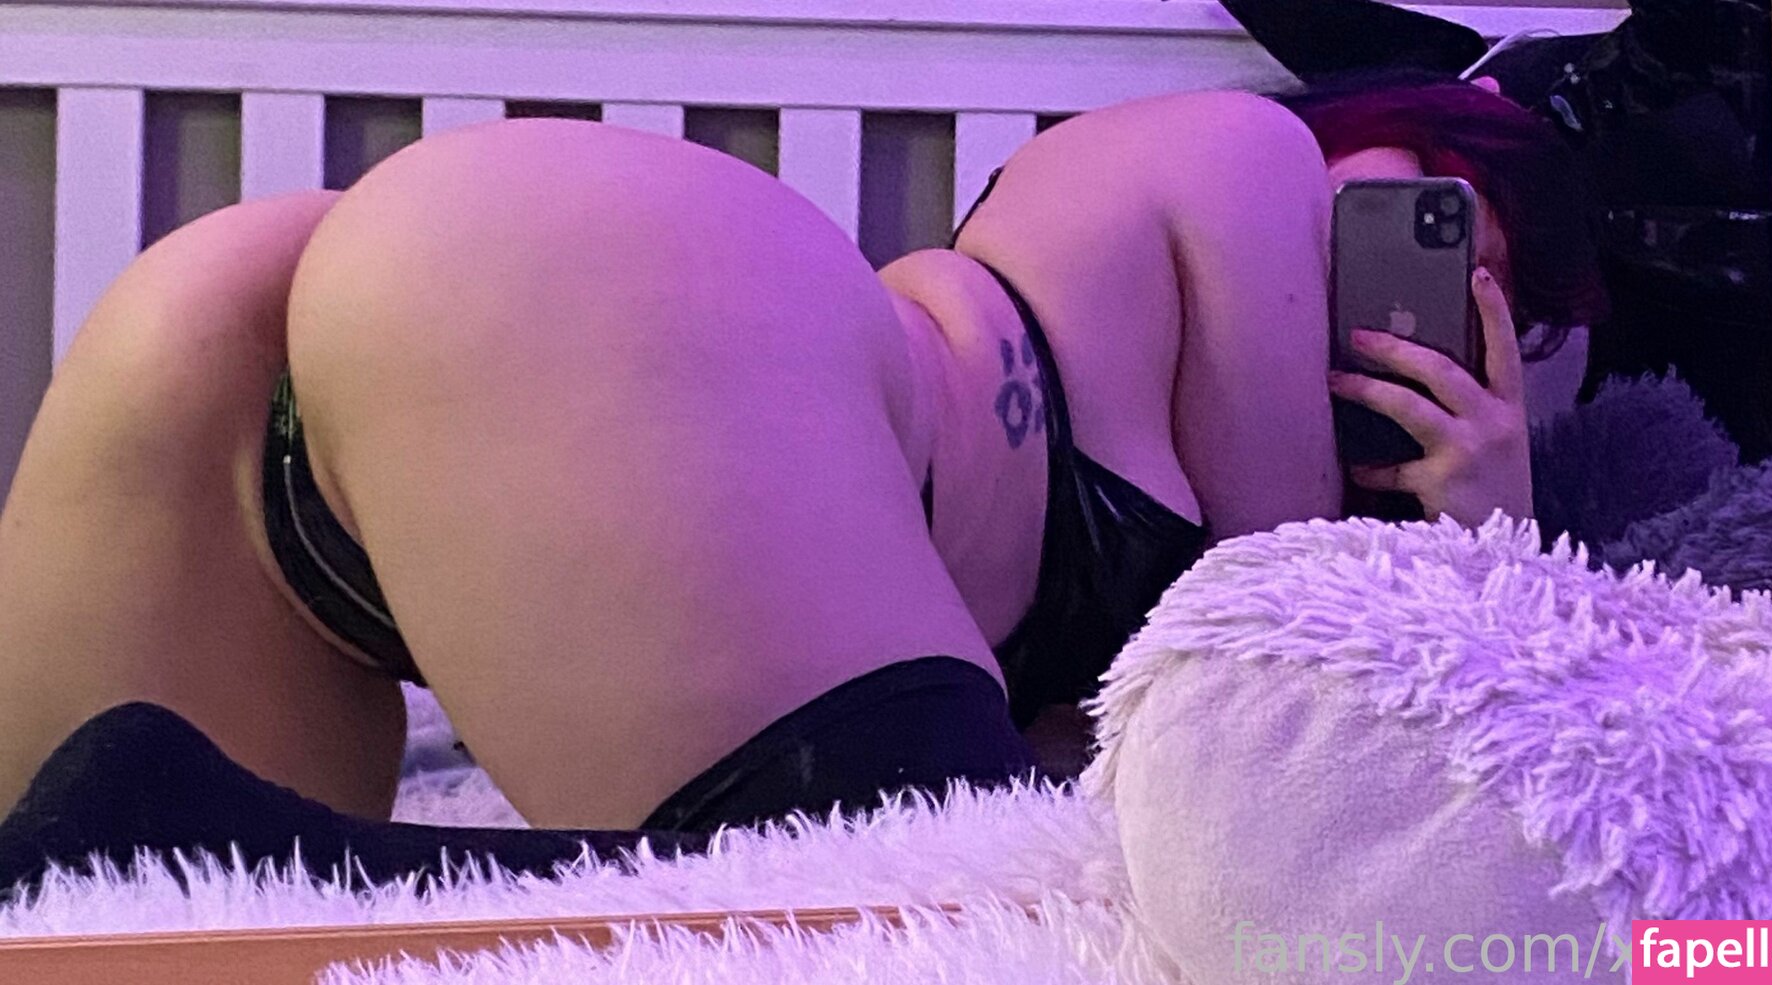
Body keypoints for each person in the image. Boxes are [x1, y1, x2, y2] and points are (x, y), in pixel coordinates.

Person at [0, 72, 1605, 893]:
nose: (1417, 298)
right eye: (1436, 213)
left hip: (281, 313)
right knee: (922, 920)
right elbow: (1279, 682)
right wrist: (1494, 550)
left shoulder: (1117, 285)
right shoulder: (1244, 154)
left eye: (1487, 306)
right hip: (588, 291)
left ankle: (152, 817)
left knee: (129, 904)